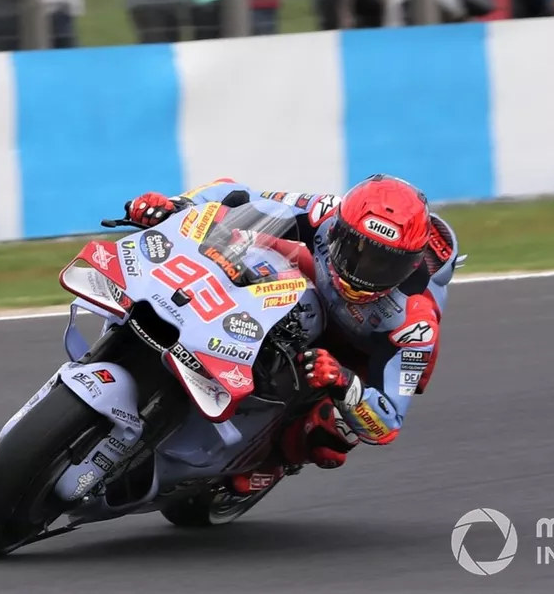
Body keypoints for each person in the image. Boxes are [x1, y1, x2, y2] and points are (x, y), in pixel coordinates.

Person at [121, 174, 458, 492]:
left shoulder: (415, 322)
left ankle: (274, 462)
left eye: (384, 264)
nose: (363, 271)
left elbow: (388, 423)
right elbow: (238, 195)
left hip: (359, 353)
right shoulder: (325, 212)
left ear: (411, 266)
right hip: (312, 289)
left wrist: (344, 381)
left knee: (332, 432)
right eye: (356, 250)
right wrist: (175, 206)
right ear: (339, 229)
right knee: (241, 242)